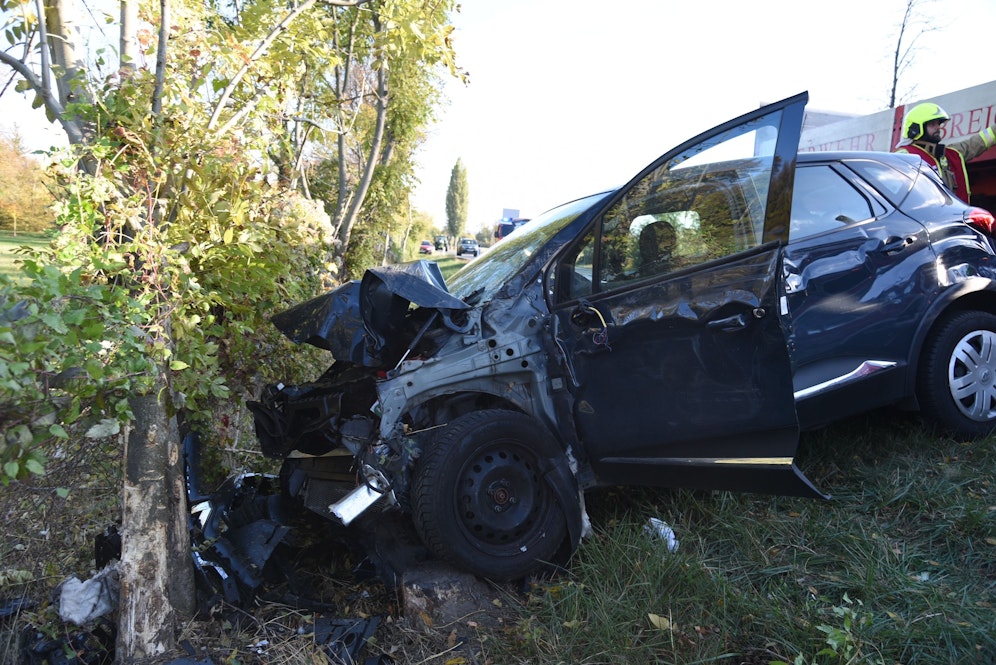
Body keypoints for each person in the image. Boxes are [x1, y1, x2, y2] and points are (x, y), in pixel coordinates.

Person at [895, 102, 996, 203]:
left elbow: (977, 143)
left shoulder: (950, 153)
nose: (938, 127)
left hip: (956, 213)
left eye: (938, 124)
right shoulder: (905, 155)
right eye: (932, 124)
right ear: (915, 129)